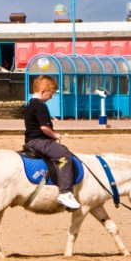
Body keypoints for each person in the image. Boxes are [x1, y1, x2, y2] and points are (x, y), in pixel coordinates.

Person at [23, 75, 81, 210]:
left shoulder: (30, 104)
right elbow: (44, 127)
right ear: (43, 91)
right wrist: (55, 135)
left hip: (31, 140)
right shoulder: (40, 106)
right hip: (39, 141)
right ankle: (65, 193)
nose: (51, 97)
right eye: (51, 94)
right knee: (64, 156)